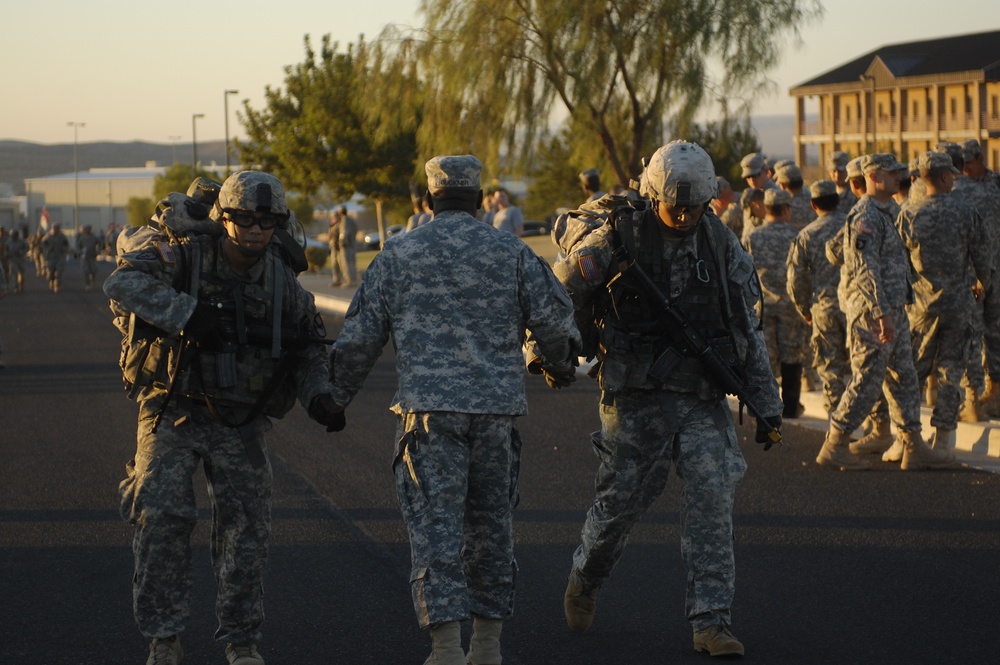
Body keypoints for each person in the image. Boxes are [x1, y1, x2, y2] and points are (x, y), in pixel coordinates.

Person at [328, 154, 580, 665]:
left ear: (429, 199)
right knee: (491, 530)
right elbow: (556, 325)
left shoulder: (399, 253)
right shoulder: (510, 250)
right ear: (478, 196)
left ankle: (445, 648)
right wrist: (558, 365)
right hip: (494, 414)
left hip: (429, 416)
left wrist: (333, 399)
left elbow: (359, 339)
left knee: (435, 530)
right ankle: (487, 646)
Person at [552, 140, 782, 658]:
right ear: (652, 193)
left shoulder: (722, 245)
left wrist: (768, 407)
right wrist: (549, 353)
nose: (682, 215)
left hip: (700, 396)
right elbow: (556, 296)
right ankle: (586, 575)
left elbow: (747, 328)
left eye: (693, 207)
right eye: (673, 205)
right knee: (620, 504)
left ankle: (711, 620)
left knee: (712, 499)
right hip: (635, 396)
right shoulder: (616, 237)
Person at [104, 171, 343, 665]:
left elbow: (309, 350)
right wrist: (186, 315)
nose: (255, 230)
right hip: (174, 405)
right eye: (244, 219)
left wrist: (321, 397)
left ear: (278, 224)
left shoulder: (285, 285)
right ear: (224, 218)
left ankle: (240, 640)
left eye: (266, 221)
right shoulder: (185, 257)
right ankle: (164, 638)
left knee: (248, 527)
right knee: (162, 514)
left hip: (240, 418)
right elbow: (122, 281)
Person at [817, 153, 954, 471]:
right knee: (867, 378)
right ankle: (835, 442)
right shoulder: (865, 215)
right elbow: (864, 268)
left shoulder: (889, 210)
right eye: (893, 173)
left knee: (904, 376)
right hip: (872, 312)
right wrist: (881, 313)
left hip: (895, 307)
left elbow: (843, 251)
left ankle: (912, 443)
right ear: (874, 176)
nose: (899, 177)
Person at [898, 151, 991, 449]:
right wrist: (981, 283)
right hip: (959, 304)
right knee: (951, 371)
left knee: (912, 371)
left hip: (922, 307)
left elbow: (897, 263)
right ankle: (943, 441)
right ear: (945, 177)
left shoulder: (909, 214)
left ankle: (907, 438)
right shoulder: (966, 210)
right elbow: (983, 254)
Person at [786, 180, 850, 418]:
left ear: (813, 205)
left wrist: (804, 309)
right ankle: (877, 426)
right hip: (856, 308)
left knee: (831, 370)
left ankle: (837, 427)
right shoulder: (853, 226)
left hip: (824, 310)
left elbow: (796, 280)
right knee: (866, 370)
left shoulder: (806, 236)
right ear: (839, 201)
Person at [745, 188, 806, 417]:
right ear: (786, 209)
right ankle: (790, 407)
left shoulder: (752, 236)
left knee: (763, 355)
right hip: (790, 305)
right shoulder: (797, 236)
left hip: (762, 305)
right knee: (791, 355)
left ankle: (761, 406)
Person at [962, 139, 1000, 417]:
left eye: (968, 162)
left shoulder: (997, 184)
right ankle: (973, 396)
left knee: (996, 331)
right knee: (973, 332)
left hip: (997, 269)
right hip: (973, 273)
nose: (965, 169)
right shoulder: (958, 189)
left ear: (979, 157)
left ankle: (994, 389)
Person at [40, 224, 69, 293]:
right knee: (50, 272)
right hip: (51, 257)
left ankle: (57, 285)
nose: (56, 230)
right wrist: (47, 249)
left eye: (57, 228)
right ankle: (51, 281)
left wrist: (64, 249)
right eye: (55, 228)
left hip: (60, 256)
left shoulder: (62, 236)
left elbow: (66, 245)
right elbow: (43, 244)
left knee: (59, 272)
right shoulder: (48, 236)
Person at [336, 205, 358, 286]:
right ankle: (353, 279)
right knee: (352, 262)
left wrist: (341, 242)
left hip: (346, 245)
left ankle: (349, 280)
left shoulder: (344, 221)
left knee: (346, 263)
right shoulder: (352, 220)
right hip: (352, 244)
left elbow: (344, 233)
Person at [76, 224, 101, 290]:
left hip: (92, 256)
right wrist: (79, 252)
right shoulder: (82, 238)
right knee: (85, 271)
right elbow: (78, 246)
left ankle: (93, 277)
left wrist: (98, 250)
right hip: (84, 257)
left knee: (93, 269)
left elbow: (99, 244)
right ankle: (87, 284)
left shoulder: (94, 237)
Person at [5, 229, 27, 294]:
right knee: (14, 273)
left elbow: (27, 248)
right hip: (12, 259)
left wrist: (21, 252)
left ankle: (21, 284)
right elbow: (6, 250)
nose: (15, 236)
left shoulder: (21, 241)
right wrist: (7, 255)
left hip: (20, 259)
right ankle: (16, 287)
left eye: (16, 234)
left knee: (21, 273)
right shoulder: (8, 242)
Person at [328, 209, 345, 287]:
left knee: (342, 264)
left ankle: (344, 279)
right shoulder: (332, 226)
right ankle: (336, 279)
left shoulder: (341, 225)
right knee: (335, 264)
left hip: (339, 248)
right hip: (334, 247)